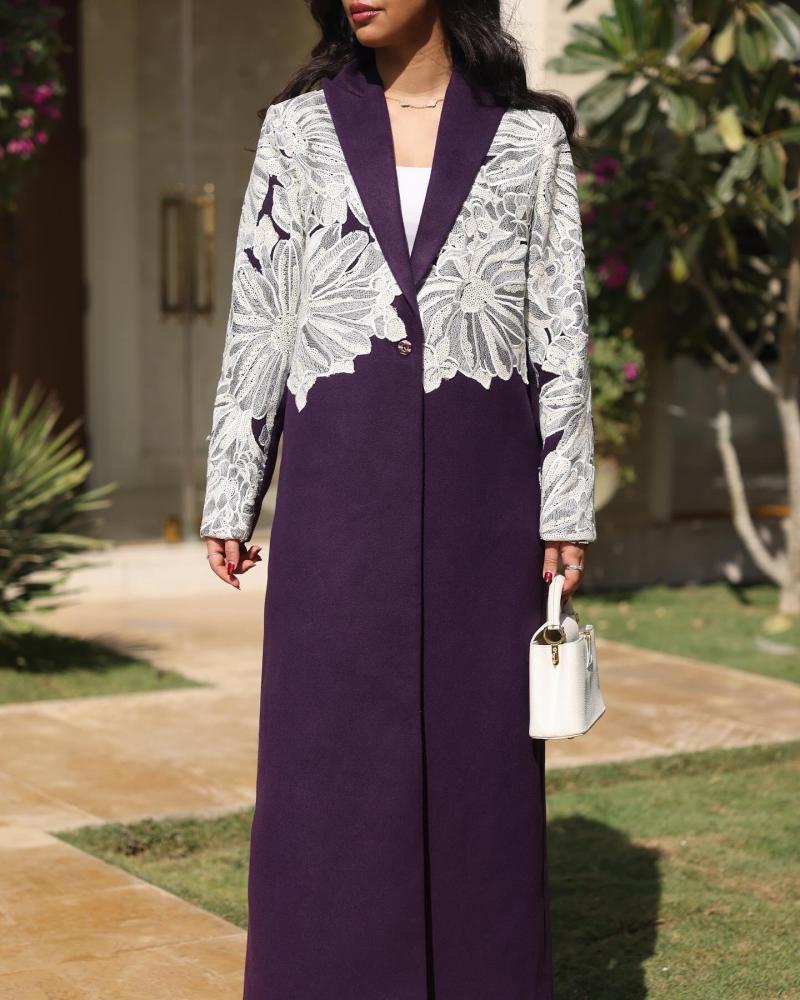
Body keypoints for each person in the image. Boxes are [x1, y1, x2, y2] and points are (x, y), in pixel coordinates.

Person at [200, 1, 596, 996]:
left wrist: (564, 502)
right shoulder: (297, 130)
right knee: (325, 762)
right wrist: (231, 489)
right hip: (338, 487)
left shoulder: (528, 138)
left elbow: (560, 329)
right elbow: (260, 314)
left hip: (485, 500)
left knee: (480, 769)